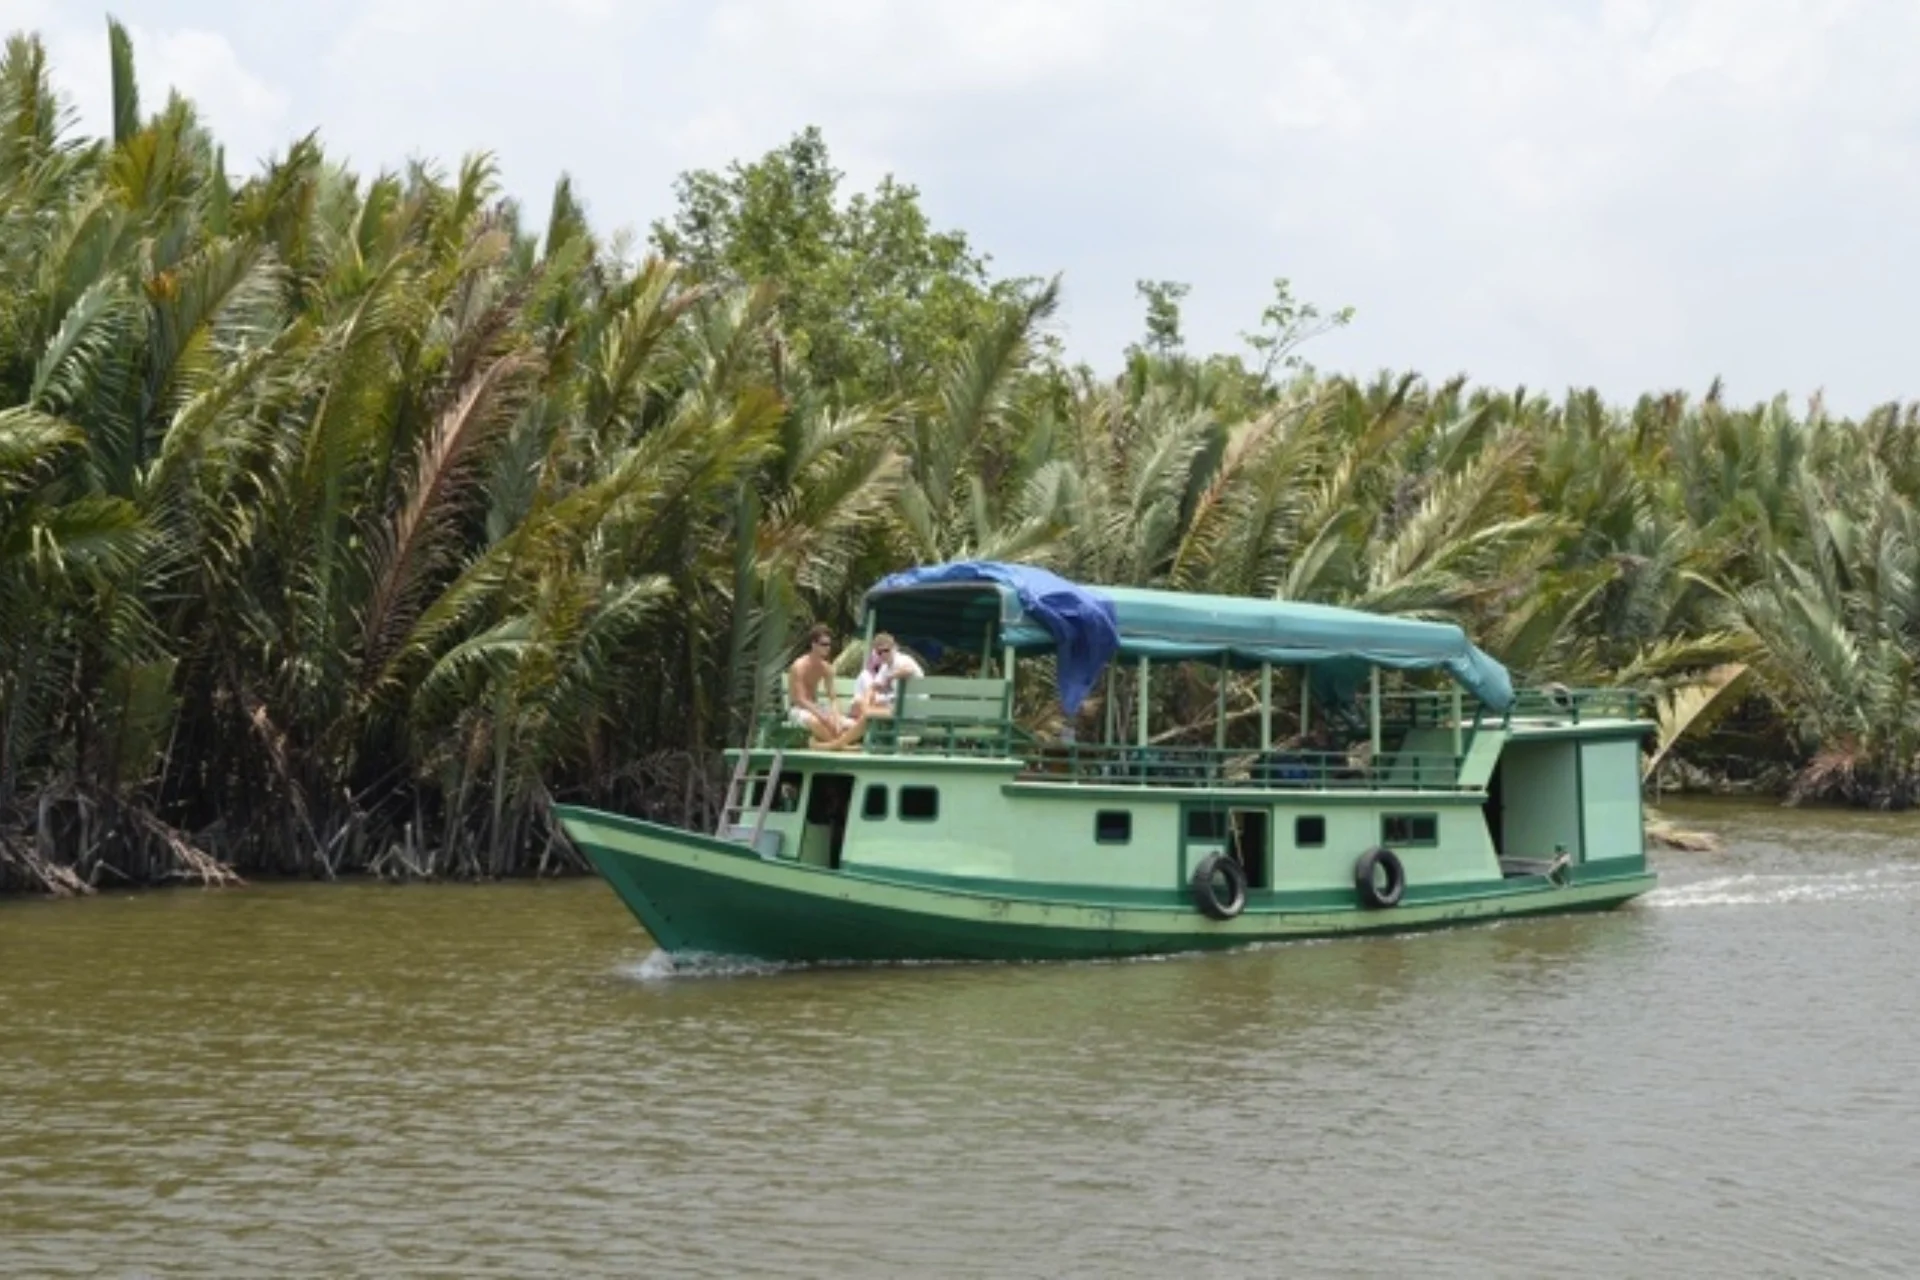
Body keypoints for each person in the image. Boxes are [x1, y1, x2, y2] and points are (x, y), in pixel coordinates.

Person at [786, 624, 846, 746]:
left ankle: (826, 745)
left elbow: (833, 697)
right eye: (824, 644)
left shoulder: (826, 668)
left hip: (816, 707)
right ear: (813, 645)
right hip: (798, 709)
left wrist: (836, 715)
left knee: (844, 724)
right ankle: (839, 745)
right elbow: (800, 700)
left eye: (829, 645)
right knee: (815, 721)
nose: (827, 648)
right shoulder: (799, 666)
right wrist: (821, 715)